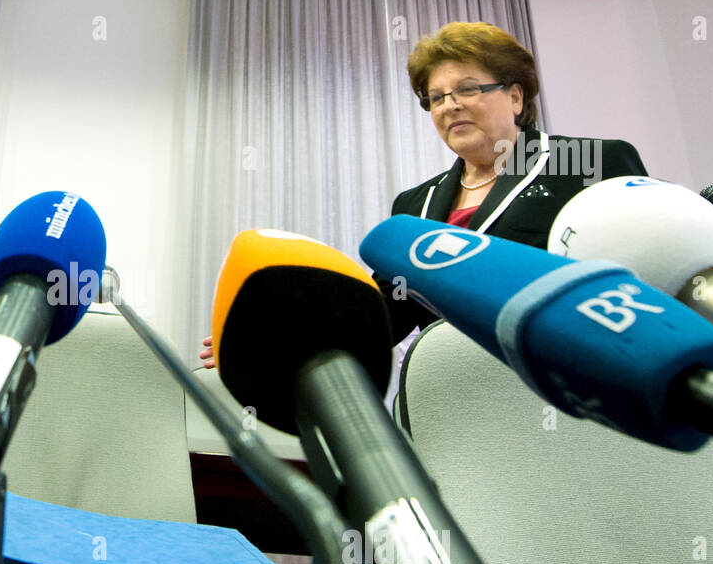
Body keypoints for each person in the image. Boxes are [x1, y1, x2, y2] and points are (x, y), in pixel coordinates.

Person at [199, 21, 649, 367]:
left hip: (566, 384)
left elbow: (648, 270)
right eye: (435, 98)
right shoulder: (415, 205)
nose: (449, 105)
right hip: (452, 394)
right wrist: (278, 346)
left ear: (515, 96)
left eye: (468, 89)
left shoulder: (590, 163)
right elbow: (387, 317)